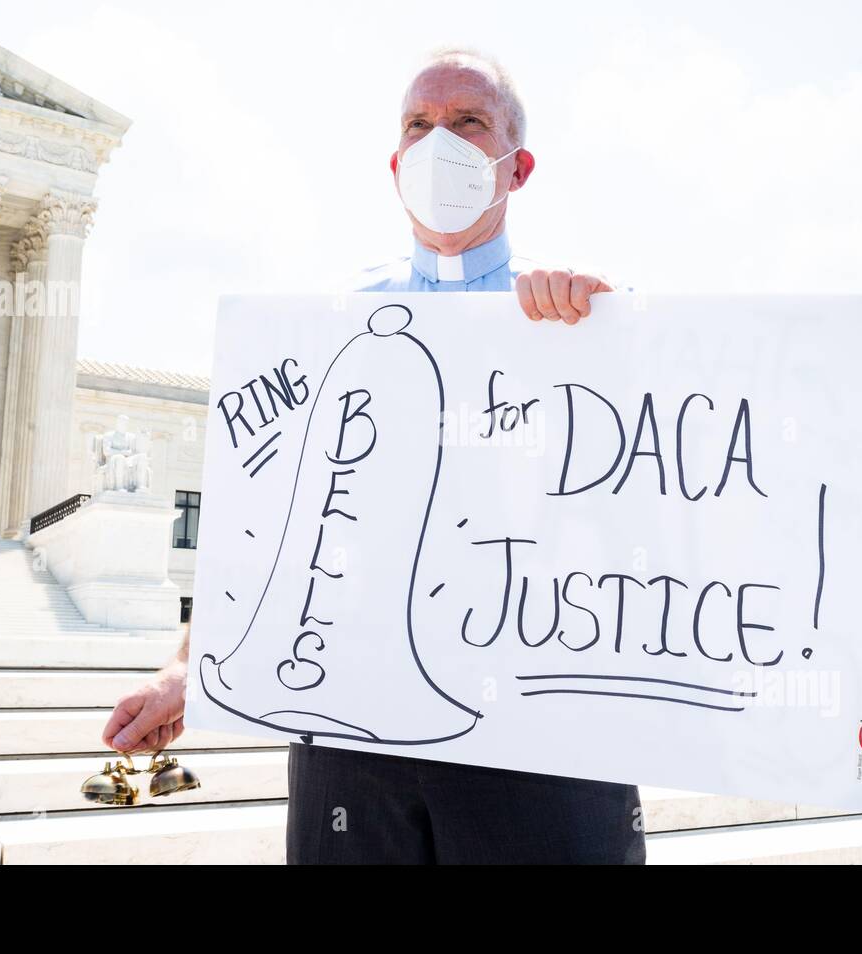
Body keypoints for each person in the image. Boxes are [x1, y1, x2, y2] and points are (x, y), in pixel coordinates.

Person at [103, 48, 644, 865]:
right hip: (352, 739)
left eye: (470, 122)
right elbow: (272, 521)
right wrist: (191, 668)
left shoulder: (582, 314)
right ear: (396, 165)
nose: (441, 144)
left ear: (517, 165)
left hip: (540, 745)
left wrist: (615, 338)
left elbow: (654, 509)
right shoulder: (331, 323)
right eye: (420, 126)